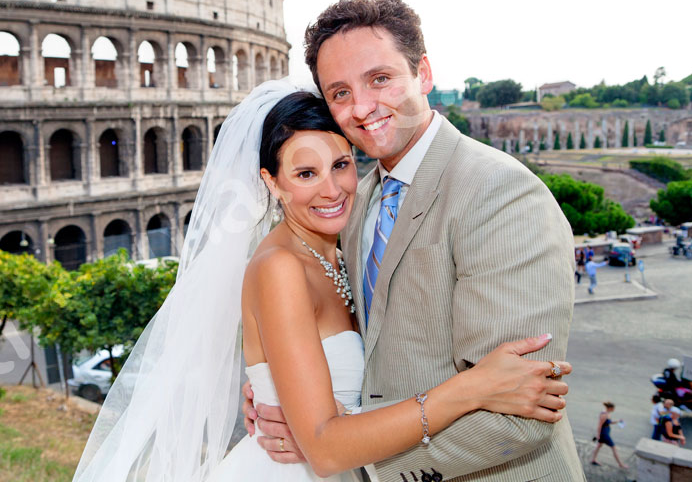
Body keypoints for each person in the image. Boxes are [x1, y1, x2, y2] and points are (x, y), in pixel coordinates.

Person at [70, 81, 572, 482]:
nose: (331, 189)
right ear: (271, 183)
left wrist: (274, 391)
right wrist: (470, 388)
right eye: (305, 174)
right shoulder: (279, 268)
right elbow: (326, 446)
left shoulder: (348, 234)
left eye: (340, 164)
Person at [244, 0, 583, 480]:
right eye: (339, 93)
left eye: (379, 78)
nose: (362, 107)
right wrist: (281, 397)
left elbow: (518, 417)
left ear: (423, 73)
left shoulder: (499, 192)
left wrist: (349, 454)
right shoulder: (353, 204)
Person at [591, 401, 628, 468]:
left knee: (599, 446)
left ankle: (593, 459)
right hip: (604, 434)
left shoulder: (607, 413)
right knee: (613, 447)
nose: (614, 409)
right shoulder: (604, 415)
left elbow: (609, 422)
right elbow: (599, 425)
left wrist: (618, 421)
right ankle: (620, 464)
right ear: (610, 408)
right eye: (613, 408)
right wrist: (598, 435)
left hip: (605, 433)